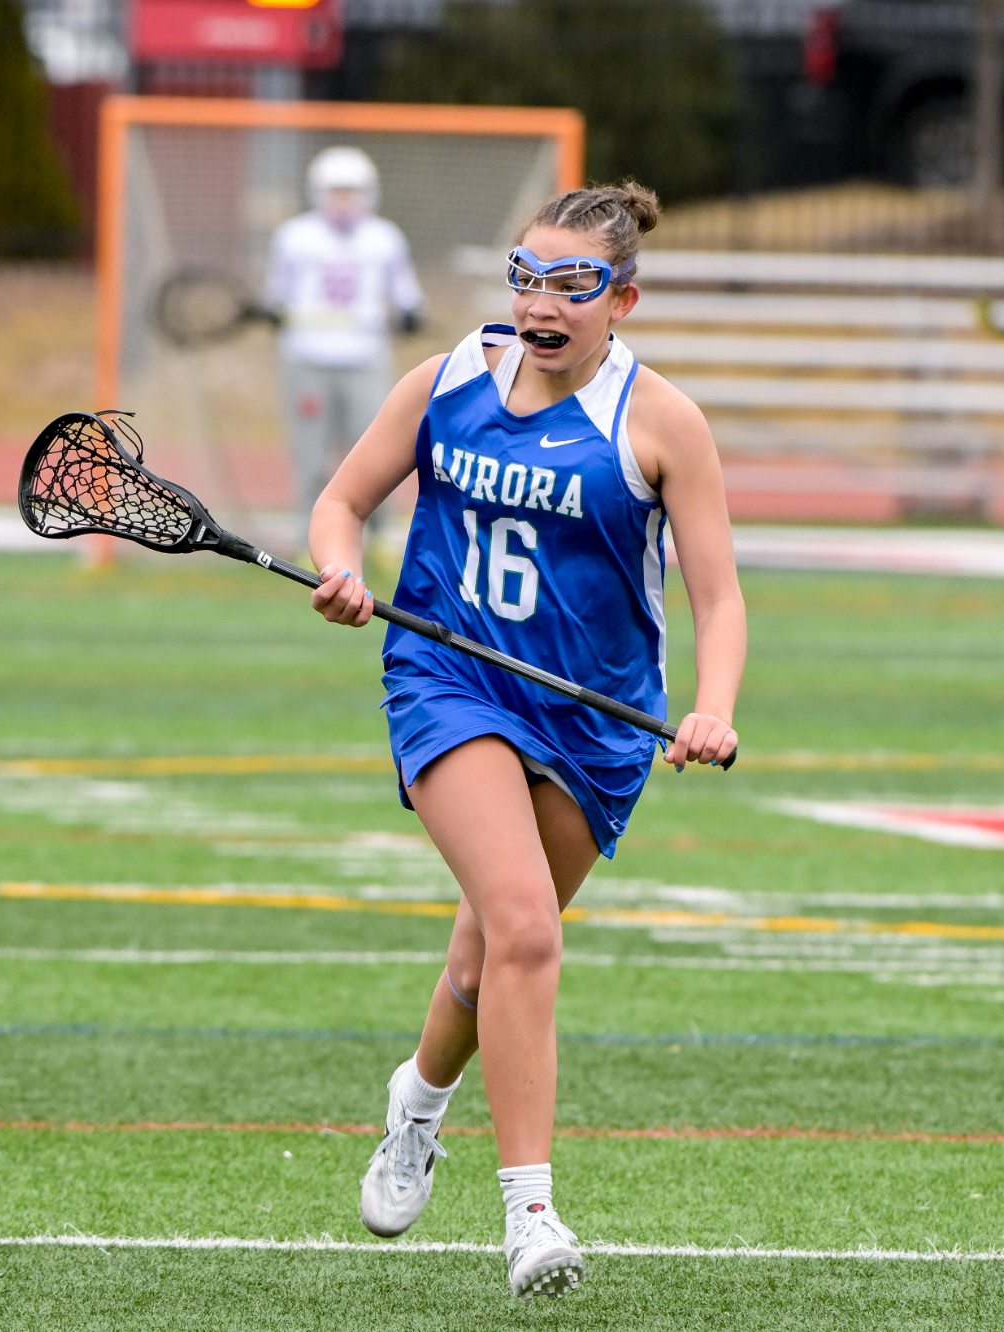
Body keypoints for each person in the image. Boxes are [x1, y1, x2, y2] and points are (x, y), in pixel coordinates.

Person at [308, 182, 745, 1299]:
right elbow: (342, 499)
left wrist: (713, 704)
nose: (540, 303)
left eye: (571, 284)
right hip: (448, 679)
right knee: (525, 931)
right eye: (524, 276)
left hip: (594, 718)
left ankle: (416, 1100)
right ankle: (529, 1216)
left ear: (621, 299)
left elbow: (718, 595)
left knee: (480, 958)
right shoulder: (449, 377)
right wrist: (342, 570)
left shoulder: (660, 422)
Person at [264, 146, 424, 530]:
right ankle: (309, 536)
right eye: (336, 192)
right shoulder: (294, 237)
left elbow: (407, 294)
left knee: (376, 453)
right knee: (312, 456)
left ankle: (381, 535)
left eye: (351, 192)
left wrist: (410, 313)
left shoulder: (385, 238)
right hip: (307, 358)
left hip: (365, 359)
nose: (344, 201)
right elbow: (277, 297)